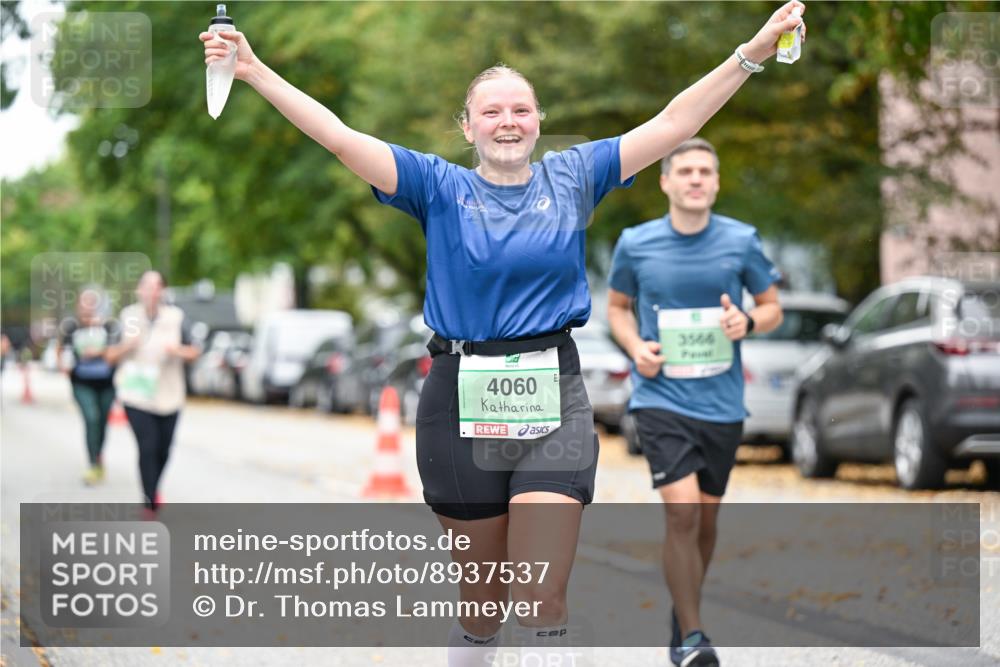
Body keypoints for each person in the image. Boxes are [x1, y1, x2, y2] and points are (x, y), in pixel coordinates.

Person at [201, 3, 805, 664]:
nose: (508, 121)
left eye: (520, 109)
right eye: (491, 111)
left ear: (539, 120)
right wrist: (255, 70)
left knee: (542, 591)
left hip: (554, 393)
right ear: (467, 126)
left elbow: (675, 121)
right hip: (459, 398)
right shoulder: (436, 186)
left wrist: (750, 52)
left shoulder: (575, 176)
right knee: (482, 603)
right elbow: (341, 138)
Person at [607, 138, 784, 666]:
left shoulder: (741, 240)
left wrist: (747, 320)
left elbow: (772, 306)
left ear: (717, 182)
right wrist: (637, 347)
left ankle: (683, 617)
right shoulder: (635, 244)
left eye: (706, 171)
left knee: (705, 523)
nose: (695, 179)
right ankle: (693, 639)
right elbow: (617, 308)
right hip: (660, 398)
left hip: (722, 404)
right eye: (685, 170)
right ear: (665, 181)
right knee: (682, 516)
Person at [106, 272, 200, 518]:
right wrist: (129, 345)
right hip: (136, 394)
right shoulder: (127, 317)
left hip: (169, 393)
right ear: (139, 290)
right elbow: (109, 356)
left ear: (164, 291)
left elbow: (194, 352)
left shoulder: (177, 318)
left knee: (164, 449)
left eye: (157, 286)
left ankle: (154, 488)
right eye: (147, 286)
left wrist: (176, 350)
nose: (152, 291)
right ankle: (149, 502)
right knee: (147, 447)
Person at [56, 287, 119, 485]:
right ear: (78, 305)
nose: (88, 307)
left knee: (102, 423)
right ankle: (92, 464)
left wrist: (98, 352)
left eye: (92, 303)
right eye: (84, 302)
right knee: (92, 418)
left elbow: (115, 353)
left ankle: (98, 456)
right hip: (81, 382)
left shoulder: (108, 327)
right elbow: (60, 349)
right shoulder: (71, 327)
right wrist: (63, 366)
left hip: (106, 384)